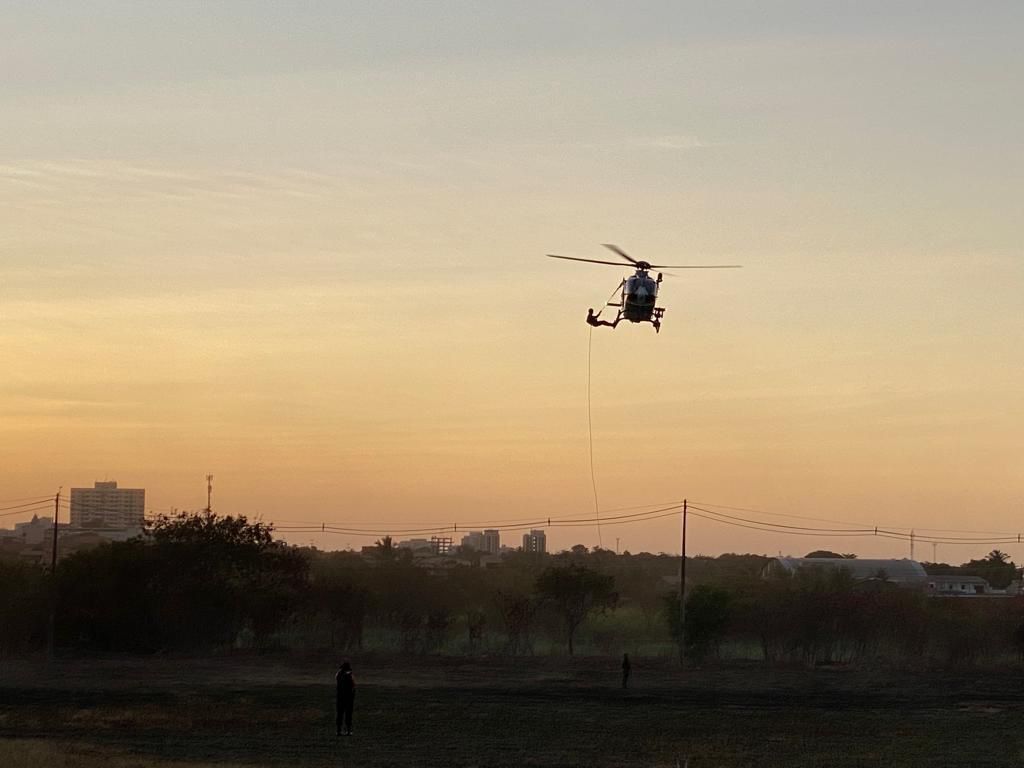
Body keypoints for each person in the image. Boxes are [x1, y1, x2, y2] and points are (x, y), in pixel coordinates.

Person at [336, 661, 356, 736]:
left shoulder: (338, 675)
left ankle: (338, 730)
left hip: (340, 697)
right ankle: (348, 731)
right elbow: (353, 685)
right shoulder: (350, 675)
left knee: (339, 714)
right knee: (348, 714)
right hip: (349, 698)